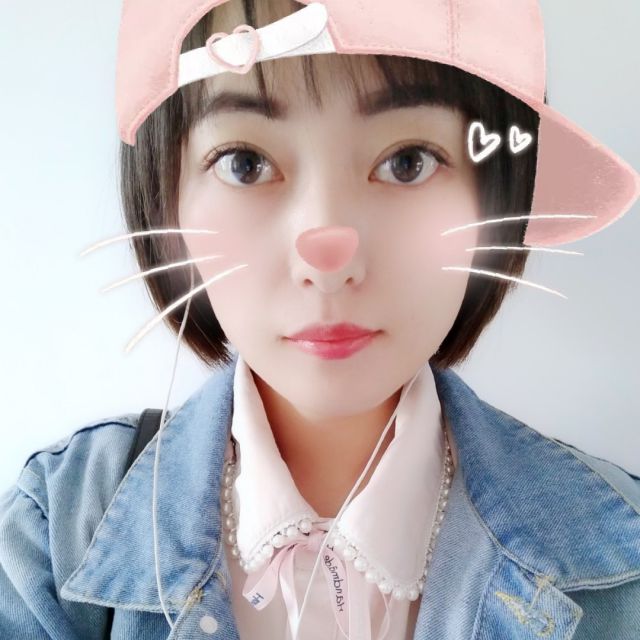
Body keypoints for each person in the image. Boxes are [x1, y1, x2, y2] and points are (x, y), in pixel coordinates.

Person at [1, 0, 639, 638]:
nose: (329, 261)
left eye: (408, 162)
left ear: (495, 199)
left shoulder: (624, 564)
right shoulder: (56, 533)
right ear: (167, 198)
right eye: (245, 163)